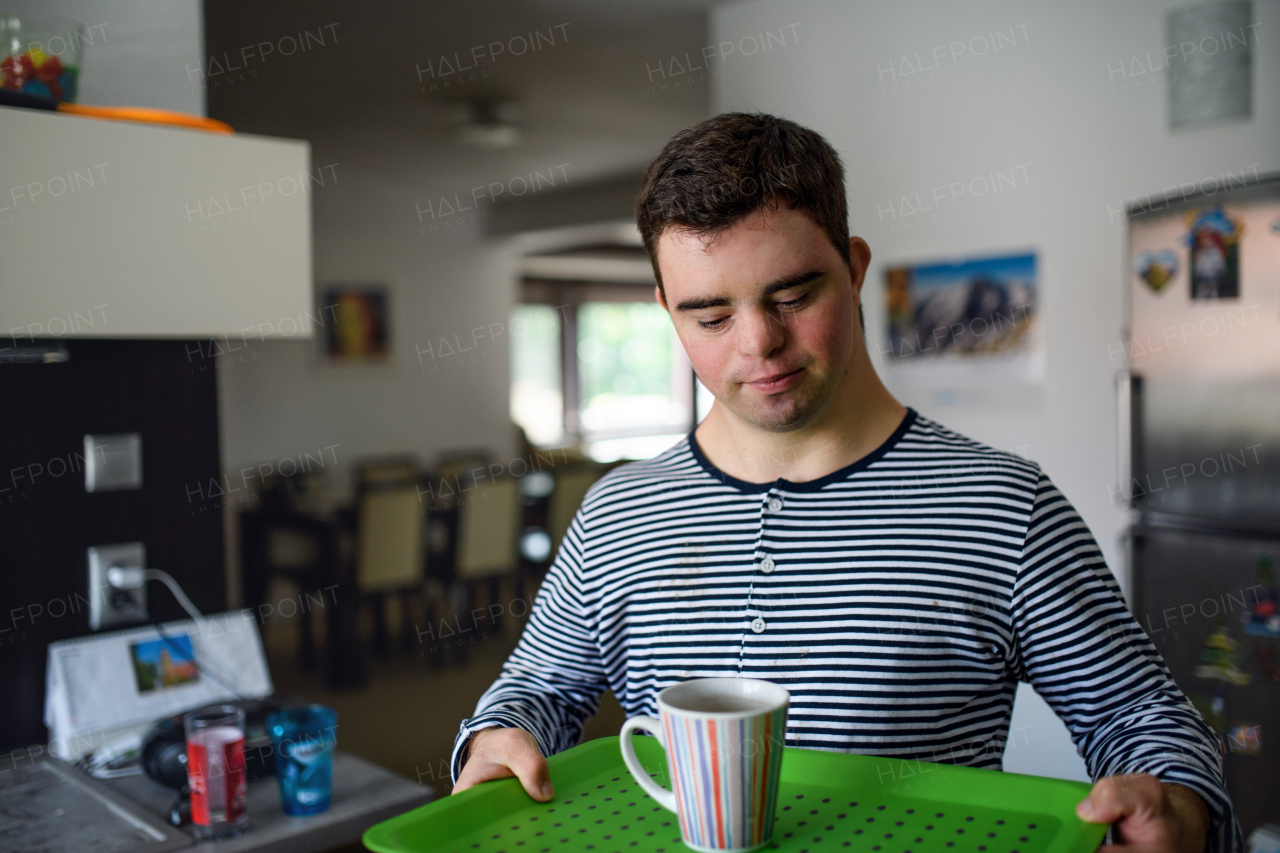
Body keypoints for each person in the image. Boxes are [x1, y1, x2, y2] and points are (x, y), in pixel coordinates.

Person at [451, 113, 1240, 853]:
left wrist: (1181, 805)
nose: (760, 343)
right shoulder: (619, 511)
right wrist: (495, 738)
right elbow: (535, 693)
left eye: (793, 295)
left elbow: (1140, 714)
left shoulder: (1003, 505)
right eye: (710, 316)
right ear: (665, 309)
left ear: (855, 268)